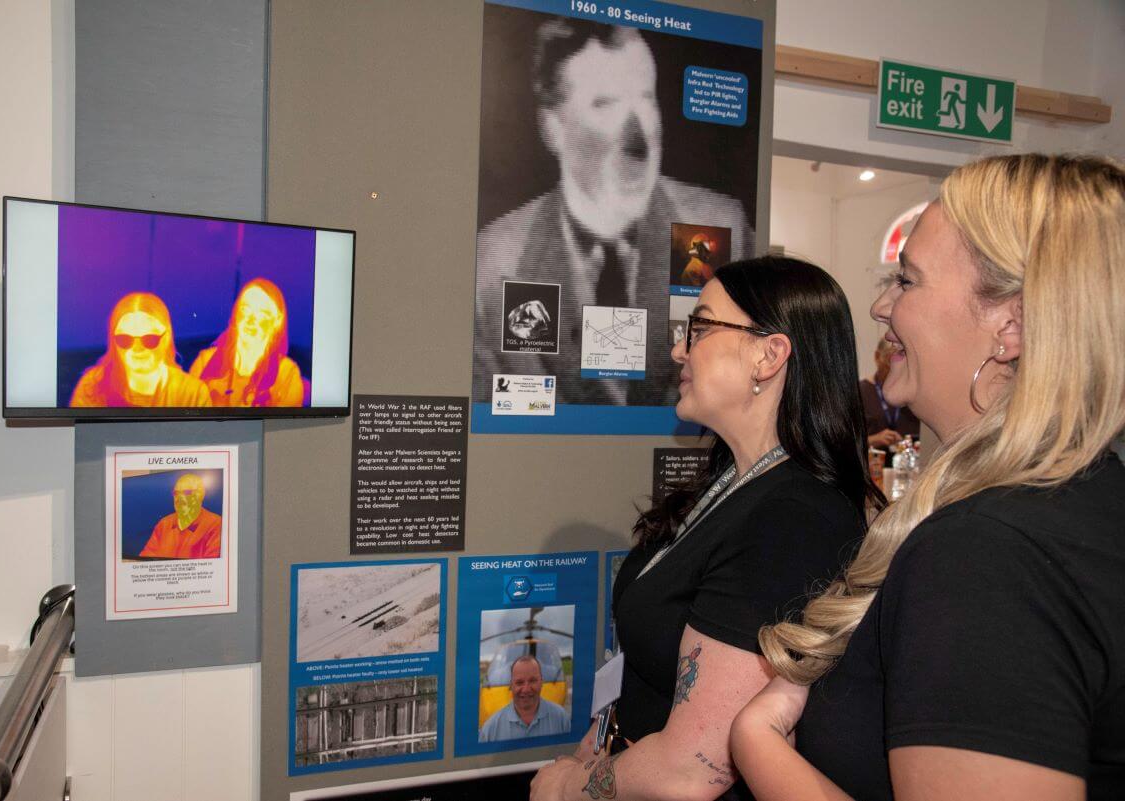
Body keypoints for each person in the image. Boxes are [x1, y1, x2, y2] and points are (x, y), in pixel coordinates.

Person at [731, 154, 1125, 801]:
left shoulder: (991, 551)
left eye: (907, 281)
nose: (883, 306)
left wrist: (757, 742)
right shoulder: (1083, 502)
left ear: (1012, 326)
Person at [531, 256, 882, 801]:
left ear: (769, 355)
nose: (679, 349)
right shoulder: (731, 485)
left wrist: (570, 790)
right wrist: (593, 750)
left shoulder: (793, 519)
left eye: (699, 327)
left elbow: (694, 770)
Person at [473, 17, 754, 407]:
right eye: (605, 104)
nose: (639, 135)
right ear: (553, 128)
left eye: (646, 98)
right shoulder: (493, 263)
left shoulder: (723, 230)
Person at [69, 292, 211, 408]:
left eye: (149, 339)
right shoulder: (93, 385)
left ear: (167, 338)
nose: (137, 349)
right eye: (125, 340)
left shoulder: (192, 393)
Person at [190, 278, 305, 407]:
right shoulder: (205, 362)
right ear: (236, 313)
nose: (251, 320)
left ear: (277, 322)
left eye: (262, 314)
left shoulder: (287, 375)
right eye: (245, 309)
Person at [479, 655, 571, 743]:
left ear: (541, 682)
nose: (526, 689)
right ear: (511, 685)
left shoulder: (562, 719)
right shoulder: (490, 730)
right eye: (519, 682)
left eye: (532, 681)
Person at [138, 473, 222, 559]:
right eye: (176, 493)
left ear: (200, 495)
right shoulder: (164, 524)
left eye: (187, 492)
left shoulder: (216, 524)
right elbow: (146, 558)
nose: (179, 498)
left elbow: (212, 568)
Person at [859, 339, 920, 450]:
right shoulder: (860, 392)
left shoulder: (915, 391)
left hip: (911, 464)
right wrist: (873, 440)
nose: (895, 368)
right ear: (877, 357)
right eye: (890, 361)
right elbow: (842, 444)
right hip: (873, 463)